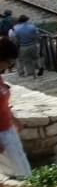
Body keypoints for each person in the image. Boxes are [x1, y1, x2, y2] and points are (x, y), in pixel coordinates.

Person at [0, 37, 32, 179]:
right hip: (1, 133)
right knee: (18, 173)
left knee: (23, 168)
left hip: (8, 129)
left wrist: (15, 120)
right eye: (9, 62)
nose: (9, 67)